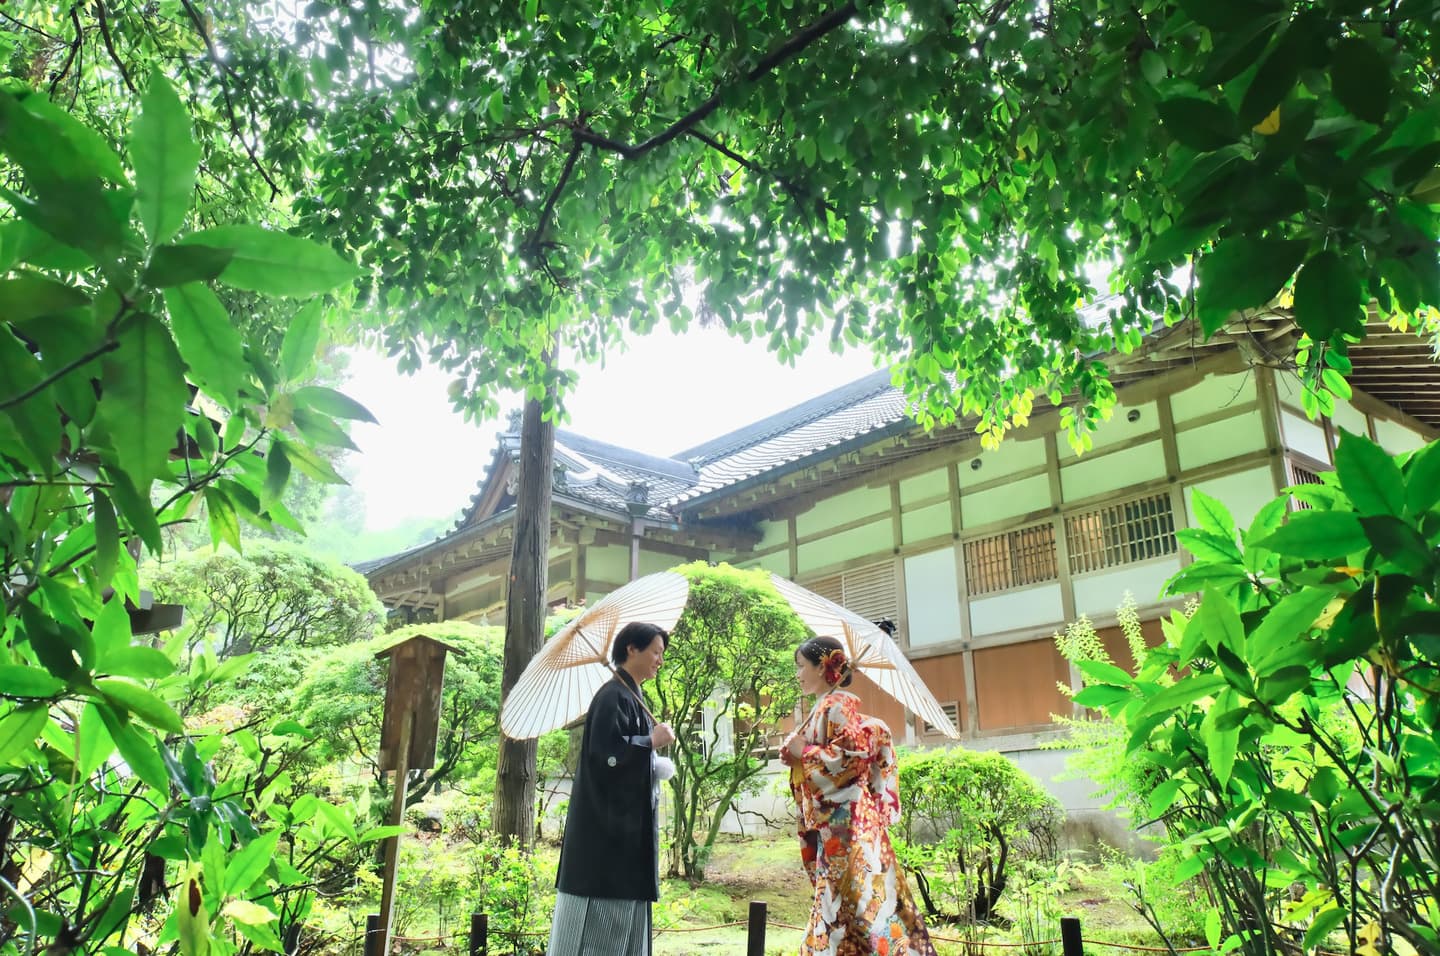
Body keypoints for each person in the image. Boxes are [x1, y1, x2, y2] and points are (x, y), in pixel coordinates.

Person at [781, 635, 938, 956]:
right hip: (847, 829)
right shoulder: (827, 707)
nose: (797, 674)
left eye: (801, 666)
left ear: (824, 668)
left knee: (851, 908)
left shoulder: (834, 705)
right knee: (856, 904)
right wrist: (797, 756)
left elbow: (851, 762)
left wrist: (806, 753)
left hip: (846, 831)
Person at [548, 621, 676, 956]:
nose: (660, 660)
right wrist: (650, 740)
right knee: (596, 936)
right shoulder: (611, 696)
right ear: (632, 648)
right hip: (604, 842)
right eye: (656, 652)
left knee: (627, 931)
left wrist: (650, 746)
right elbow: (605, 757)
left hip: (626, 838)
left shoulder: (630, 695)